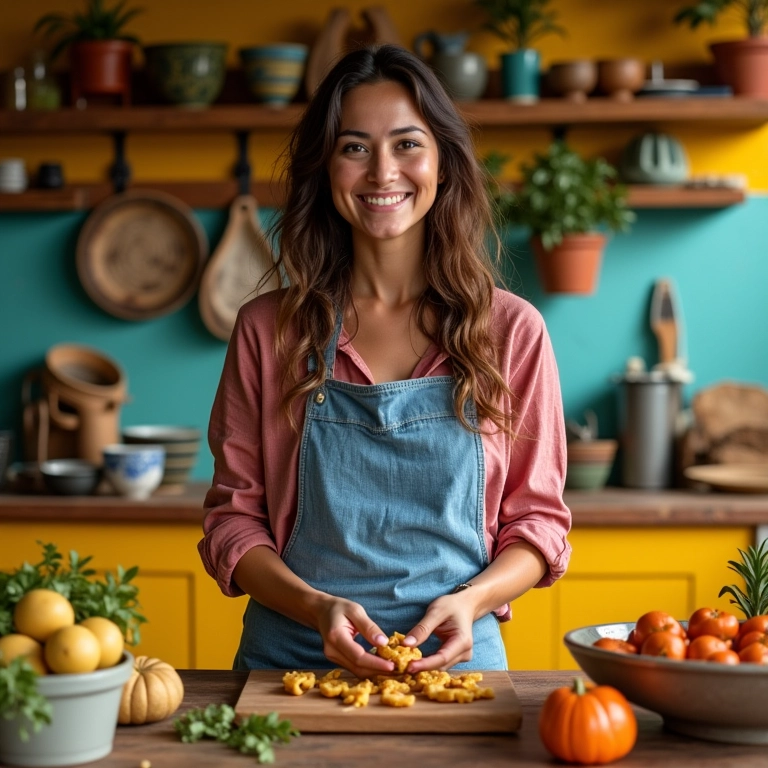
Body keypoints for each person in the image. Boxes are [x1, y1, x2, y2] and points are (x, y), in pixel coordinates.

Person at [198, 43, 571, 678]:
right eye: (354, 147)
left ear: (442, 164)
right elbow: (235, 521)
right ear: (326, 168)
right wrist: (316, 608)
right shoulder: (268, 331)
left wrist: (471, 601)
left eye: (407, 144)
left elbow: (537, 525)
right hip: (289, 665)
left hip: (456, 664)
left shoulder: (511, 331)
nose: (381, 172)